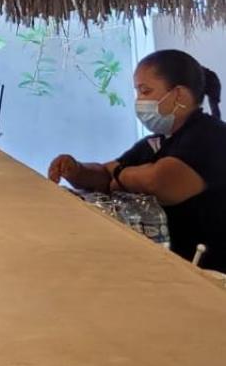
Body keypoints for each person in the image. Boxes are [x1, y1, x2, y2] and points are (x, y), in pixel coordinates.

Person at [48, 49, 226, 269]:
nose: (139, 101)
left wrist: (119, 174)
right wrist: (76, 170)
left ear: (178, 95)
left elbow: (160, 183)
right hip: (171, 267)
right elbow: (105, 175)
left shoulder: (211, 135)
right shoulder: (156, 142)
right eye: (137, 92)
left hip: (212, 273)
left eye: (145, 91)